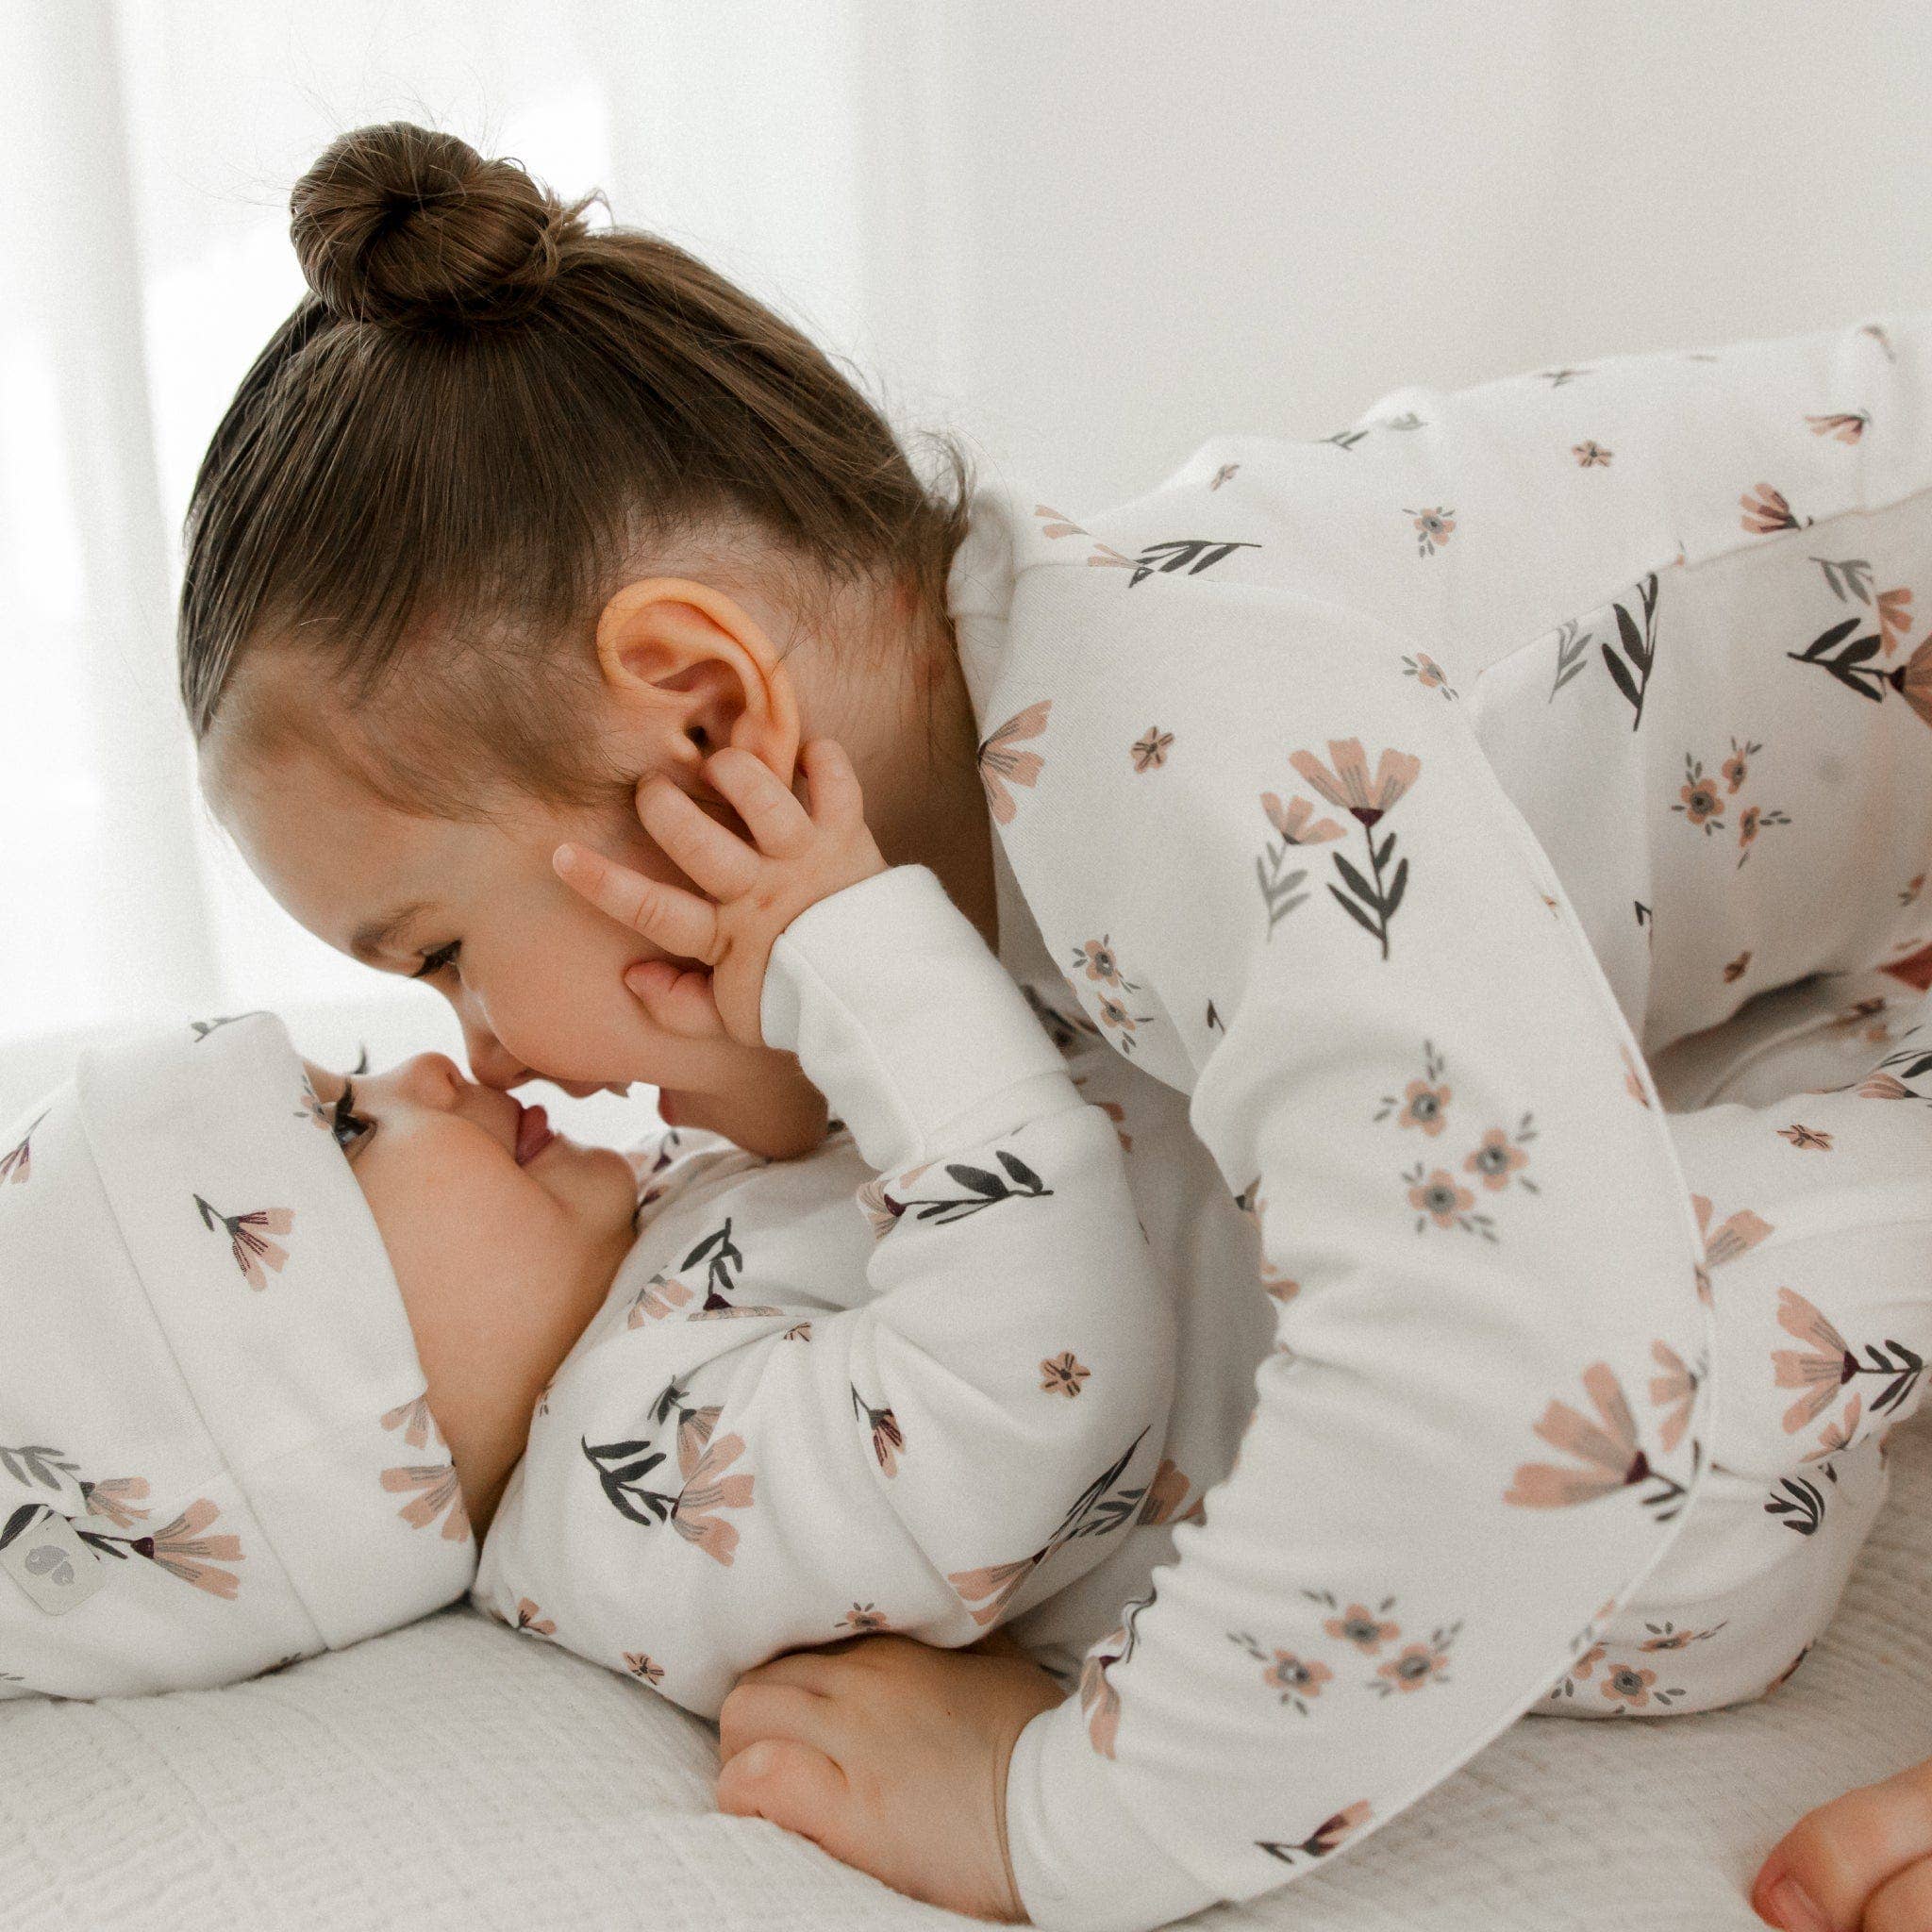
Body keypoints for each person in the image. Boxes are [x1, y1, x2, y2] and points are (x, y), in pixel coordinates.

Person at [170, 117, 1932, 1930]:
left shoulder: (1155, 730)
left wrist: (1078, 1815)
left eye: (445, 951)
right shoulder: (1003, 848)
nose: (483, 1053)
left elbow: (1532, 1350)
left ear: (699, 715)